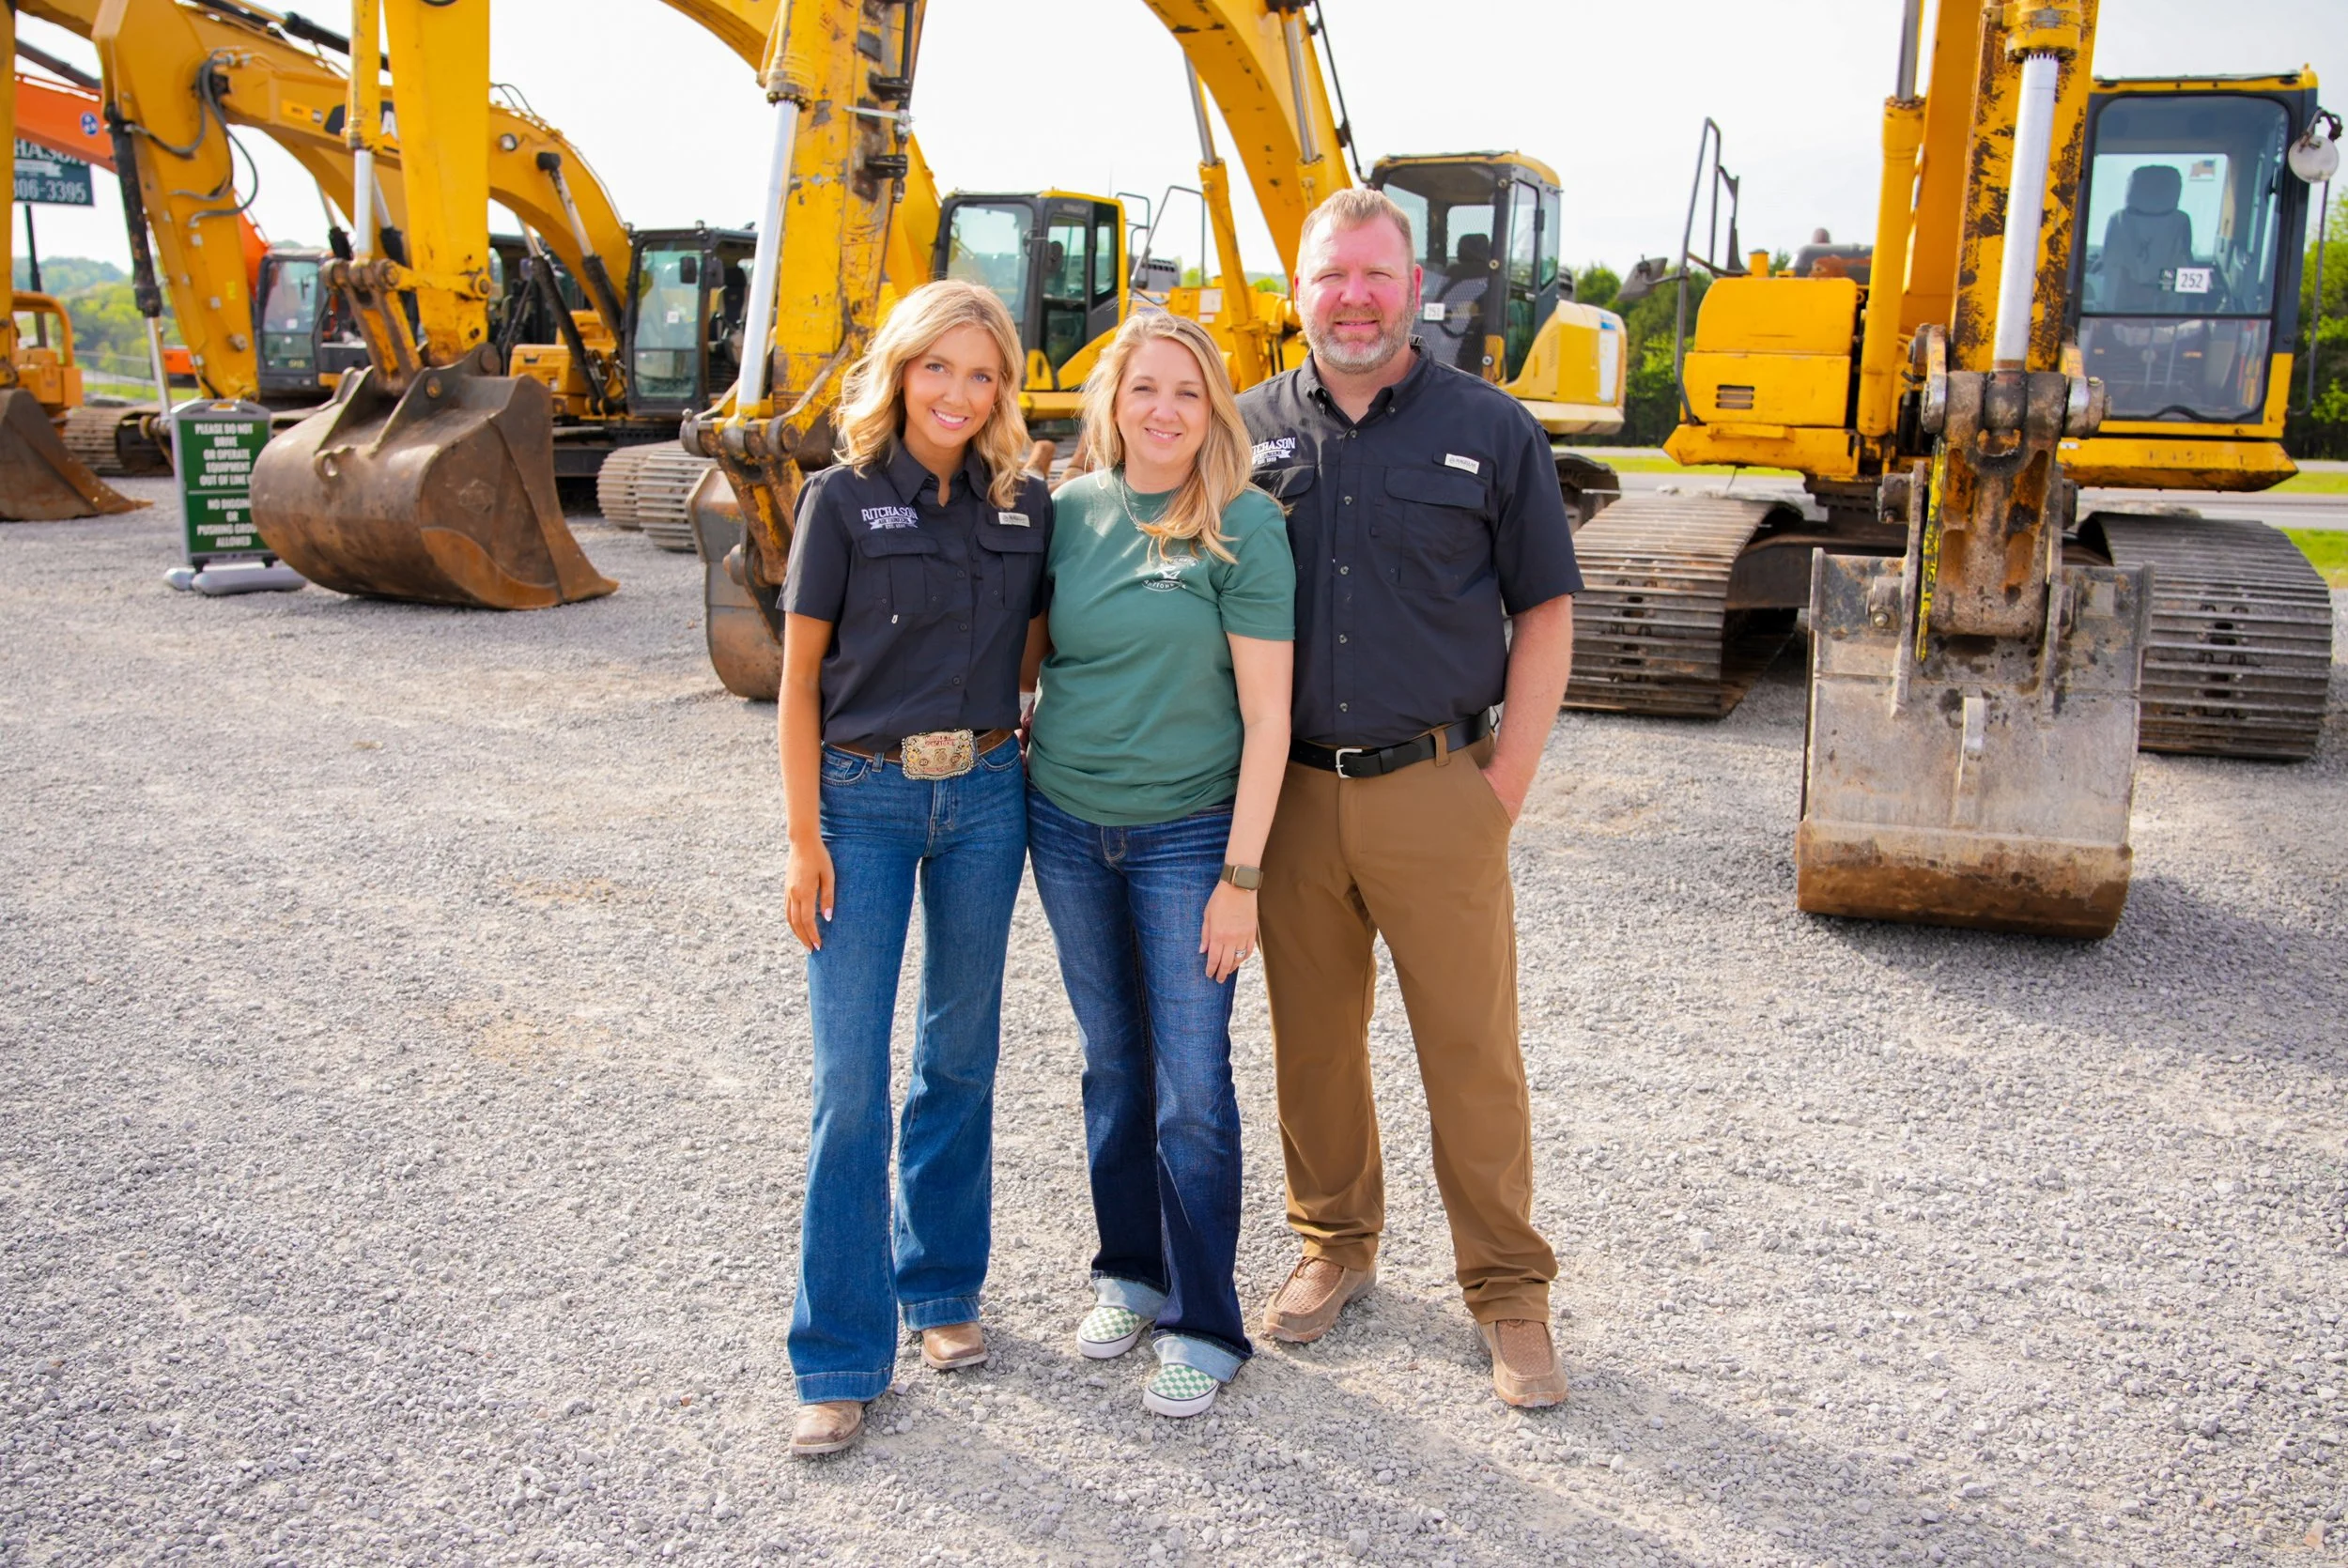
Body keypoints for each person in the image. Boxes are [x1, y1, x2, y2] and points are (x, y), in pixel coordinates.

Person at [1236, 187, 1583, 1409]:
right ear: (1299, 292)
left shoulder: (1491, 429)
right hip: (1292, 799)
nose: (1355, 297)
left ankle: (1508, 1288)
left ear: (1415, 286)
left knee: (1472, 1049)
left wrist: (1504, 786)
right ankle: (1335, 1242)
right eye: (1332, 276)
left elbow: (1546, 610)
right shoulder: (1247, 431)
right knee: (1315, 1044)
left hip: (1440, 786)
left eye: (1377, 275)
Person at [776, 280, 1053, 1457]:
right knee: (851, 1082)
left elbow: (1058, 639)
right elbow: (795, 681)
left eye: (981, 373)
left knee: (959, 1054)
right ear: (899, 371)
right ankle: (838, 1353)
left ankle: (939, 1288)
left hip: (990, 795)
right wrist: (801, 837)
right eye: (937, 367)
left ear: (1003, 390)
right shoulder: (839, 502)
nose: (957, 392)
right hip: (864, 804)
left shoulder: (1025, 504)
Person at [1025, 311, 1294, 1420]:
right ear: (1112, 401)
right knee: (1111, 1064)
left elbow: (1269, 719)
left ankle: (1204, 1319)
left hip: (1191, 833)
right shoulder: (1071, 513)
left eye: (1186, 391)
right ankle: (1129, 1272)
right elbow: (1032, 654)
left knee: (1192, 1085)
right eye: (1144, 388)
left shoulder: (1243, 524)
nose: (1164, 410)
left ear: (1214, 406)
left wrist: (1243, 876)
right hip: (1067, 823)